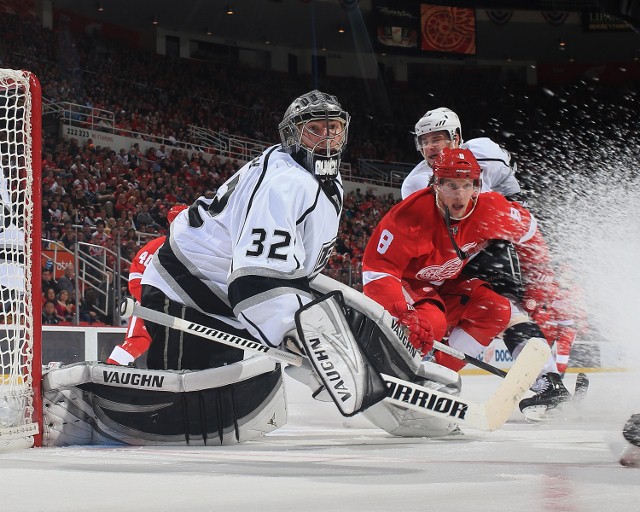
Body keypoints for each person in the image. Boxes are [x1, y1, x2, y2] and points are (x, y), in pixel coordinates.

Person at [363, 148, 571, 420]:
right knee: (430, 324)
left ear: (477, 185)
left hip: (446, 283)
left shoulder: (492, 208)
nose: (459, 195)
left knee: (499, 311)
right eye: (450, 185)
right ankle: (408, 376)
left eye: (466, 185)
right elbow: (377, 272)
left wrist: (540, 281)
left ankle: (441, 376)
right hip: (410, 285)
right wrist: (402, 313)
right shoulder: (408, 217)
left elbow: (530, 232)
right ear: (435, 184)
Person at [402, 108, 581, 399]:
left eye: (438, 138)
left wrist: (498, 216)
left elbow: (514, 194)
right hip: (451, 255)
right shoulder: (414, 182)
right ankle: (436, 375)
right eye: (425, 140)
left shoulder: (484, 152)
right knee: (446, 317)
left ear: (457, 138)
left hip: (488, 245)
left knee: (507, 311)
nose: (431, 146)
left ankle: (547, 380)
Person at [106, 204, 188, 365]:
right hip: (157, 306)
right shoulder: (159, 246)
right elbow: (136, 278)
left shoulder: (195, 247)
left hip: (184, 309)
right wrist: (152, 303)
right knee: (139, 339)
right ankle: (113, 369)